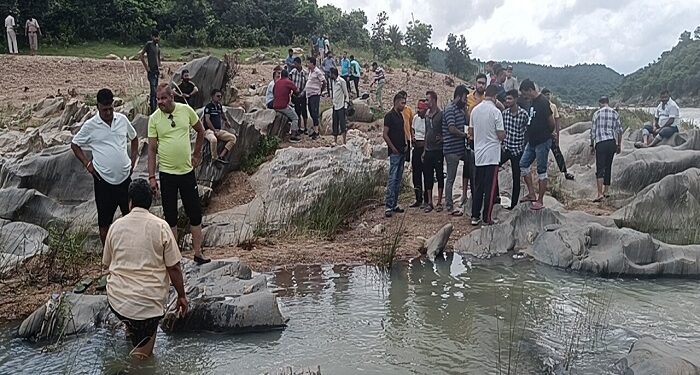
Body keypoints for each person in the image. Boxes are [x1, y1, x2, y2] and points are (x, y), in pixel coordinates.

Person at [103, 178, 188, 359]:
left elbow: (107, 265)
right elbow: (174, 267)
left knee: (133, 319)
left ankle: (130, 330)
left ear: (130, 202)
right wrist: (181, 296)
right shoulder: (161, 226)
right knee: (143, 358)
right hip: (148, 305)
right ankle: (139, 356)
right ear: (150, 202)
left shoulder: (115, 226)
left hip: (118, 301)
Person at [147, 83, 210, 265]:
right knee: (171, 215)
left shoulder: (185, 110)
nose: (160, 102)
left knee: (195, 212)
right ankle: (175, 257)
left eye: (163, 98)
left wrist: (197, 154)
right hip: (167, 173)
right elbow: (151, 149)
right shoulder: (154, 119)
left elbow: (200, 130)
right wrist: (152, 177)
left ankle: (198, 253)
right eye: (158, 99)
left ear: (172, 97)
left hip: (186, 172)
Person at [71, 89, 138, 245]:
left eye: (110, 108)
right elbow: (75, 144)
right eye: (104, 109)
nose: (108, 112)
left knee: (131, 217)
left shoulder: (121, 120)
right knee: (104, 222)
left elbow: (134, 138)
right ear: (98, 107)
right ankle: (108, 257)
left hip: (124, 178)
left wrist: (133, 160)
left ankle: (131, 250)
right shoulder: (90, 125)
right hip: (103, 180)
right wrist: (87, 164)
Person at [469, 84, 505, 226]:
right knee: (490, 189)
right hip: (492, 155)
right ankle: (487, 217)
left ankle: (474, 215)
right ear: (495, 96)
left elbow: (471, 131)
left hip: (479, 154)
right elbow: (501, 135)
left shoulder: (475, 110)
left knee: (478, 186)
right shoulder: (496, 112)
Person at [519, 79, 555, 210]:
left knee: (541, 170)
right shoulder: (533, 102)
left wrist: (547, 135)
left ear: (530, 90)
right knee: (523, 164)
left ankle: (540, 200)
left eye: (525, 94)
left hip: (542, 141)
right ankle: (531, 194)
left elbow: (551, 122)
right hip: (532, 141)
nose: (525, 97)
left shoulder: (543, 102)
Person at [443, 85, 470, 216]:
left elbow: (467, 121)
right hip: (451, 150)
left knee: (470, 166)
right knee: (451, 178)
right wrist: (464, 135)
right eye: (464, 98)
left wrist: (466, 109)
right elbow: (451, 129)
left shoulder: (460, 109)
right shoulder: (449, 109)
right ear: (458, 96)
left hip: (460, 149)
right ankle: (449, 205)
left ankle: (465, 196)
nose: (465, 101)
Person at [500, 89, 529, 209]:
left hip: (517, 150)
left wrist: (524, 146)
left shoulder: (523, 114)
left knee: (516, 178)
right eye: (506, 99)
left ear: (516, 99)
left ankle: (513, 205)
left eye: (510, 98)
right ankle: (495, 197)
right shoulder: (504, 114)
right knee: (494, 166)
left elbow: (528, 131)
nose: (507, 101)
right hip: (506, 148)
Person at [591, 96, 622, 202]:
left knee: (600, 167)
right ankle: (606, 191)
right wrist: (619, 145)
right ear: (608, 102)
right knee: (608, 166)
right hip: (611, 142)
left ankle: (599, 193)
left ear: (600, 103)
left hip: (601, 142)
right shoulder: (615, 113)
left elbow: (593, 131)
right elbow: (619, 130)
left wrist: (592, 145)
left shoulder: (597, 114)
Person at [383, 94, 407, 218]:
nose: (404, 105)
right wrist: (392, 148)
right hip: (394, 152)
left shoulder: (400, 116)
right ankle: (388, 205)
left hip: (402, 151)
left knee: (398, 179)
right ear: (396, 102)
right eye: (402, 103)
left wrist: (406, 144)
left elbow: (402, 131)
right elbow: (385, 134)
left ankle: (394, 203)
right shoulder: (389, 116)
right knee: (392, 179)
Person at [542, 88, 574, 180]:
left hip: (552, 134)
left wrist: (558, 136)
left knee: (557, 153)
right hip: (543, 135)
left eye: (549, 94)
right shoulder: (540, 105)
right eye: (546, 94)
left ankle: (564, 172)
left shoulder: (553, 106)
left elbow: (557, 121)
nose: (548, 96)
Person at [423, 91, 444, 213]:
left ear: (434, 100)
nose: (426, 102)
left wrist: (442, 139)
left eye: (428, 100)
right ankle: (430, 202)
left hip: (438, 149)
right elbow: (426, 133)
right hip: (429, 150)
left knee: (440, 174)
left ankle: (440, 201)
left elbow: (445, 130)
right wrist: (424, 150)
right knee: (428, 175)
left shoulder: (441, 114)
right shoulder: (427, 115)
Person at [204, 89, 238, 162]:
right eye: (217, 96)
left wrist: (227, 121)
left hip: (218, 130)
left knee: (233, 138)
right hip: (209, 130)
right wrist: (214, 130)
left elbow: (222, 114)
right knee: (213, 140)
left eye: (220, 96)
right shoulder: (208, 107)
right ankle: (214, 158)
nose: (219, 98)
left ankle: (221, 156)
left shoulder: (219, 106)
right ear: (213, 96)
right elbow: (207, 120)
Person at [272, 69, 301, 143]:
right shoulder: (288, 82)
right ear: (287, 75)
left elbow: (273, 92)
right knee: (295, 118)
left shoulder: (277, 83)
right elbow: (297, 90)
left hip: (275, 105)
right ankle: (293, 135)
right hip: (283, 106)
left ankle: (292, 129)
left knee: (291, 110)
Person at [410, 100, 429, 208]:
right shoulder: (416, 118)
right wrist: (412, 136)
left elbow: (428, 135)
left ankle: (427, 199)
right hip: (416, 148)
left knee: (426, 174)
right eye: (418, 108)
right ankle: (418, 198)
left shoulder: (428, 120)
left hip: (424, 148)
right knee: (416, 175)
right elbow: (412, 129)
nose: (418, 110)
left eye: (421, 108)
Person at [139, 30, 162, 114]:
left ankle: (154, 107)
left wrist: (160, 68)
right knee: (153, 90)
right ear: (152, 37)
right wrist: (146, 67)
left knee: (155, 90)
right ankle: (153, 110)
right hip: (151, 71)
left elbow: (158, 59)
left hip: (156, 71)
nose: (157, 38)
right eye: (155, 36)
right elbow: (141, 56)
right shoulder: (149, 44)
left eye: (158, 36)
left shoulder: (157, 47)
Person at [305, 57, 325, 140]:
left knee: (314, 111)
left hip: (315, 95)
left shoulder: (317, 72)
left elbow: (324, 82)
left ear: (313, 64)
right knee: (310, 110)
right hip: (310, 95)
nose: (308, 64)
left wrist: (320, 91)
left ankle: (316, 132)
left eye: (309, 63)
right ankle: (314, 129)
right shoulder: (310, 72)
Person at [330, 67, 349, 146]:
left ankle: (344, 141)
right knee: (335, 123)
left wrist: (345, 105)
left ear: (334, 74)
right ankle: (335, 140)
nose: (329, 75)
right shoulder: (333, 82)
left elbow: (346, 94)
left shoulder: (341, 81)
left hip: (341, 105)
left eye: (330, 73)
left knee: (342, 123)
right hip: (335, 105)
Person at [289, 57, 309, 134]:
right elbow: (290, 82)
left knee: (304, 111)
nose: (295, 65)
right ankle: (298, 127)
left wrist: (302, 93)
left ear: (299, 63)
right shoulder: (293, 72)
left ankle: (306, 128)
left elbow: (307, 84)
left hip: (302, 93)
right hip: (295, 94)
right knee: (297, 111)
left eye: (296, 64)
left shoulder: (305, 72)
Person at [398, 90, 414, 162]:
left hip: (407, 138)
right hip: (398, 139)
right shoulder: (394, 111)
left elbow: (411, 125)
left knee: (406, 161)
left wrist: (412, 136)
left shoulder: (409, 110)